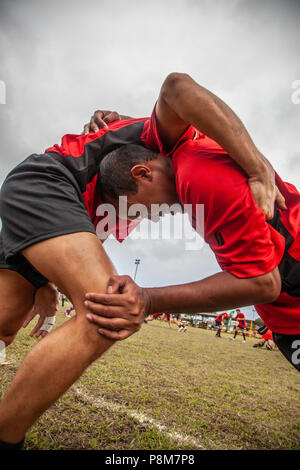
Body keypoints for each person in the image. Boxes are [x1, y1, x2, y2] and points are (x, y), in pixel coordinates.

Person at [0, 72, 291, 450]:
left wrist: (45, 281)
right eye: (145, 209)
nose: (159, 216)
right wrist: (257, 169)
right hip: (49, 185)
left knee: (6, 324)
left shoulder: (178, 160)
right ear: (143, 173)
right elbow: (177, 87)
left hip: (43, 202)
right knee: (106, 312)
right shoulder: (169, 143)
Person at [81, 73, 299, 374]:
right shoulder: (184, 142)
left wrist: (147, 298)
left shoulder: (198, 182)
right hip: (284, 310)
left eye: (139, 211)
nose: (153, 217)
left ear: (143, 174)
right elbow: (176, 91)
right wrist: (120, 128)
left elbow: (263, 283)